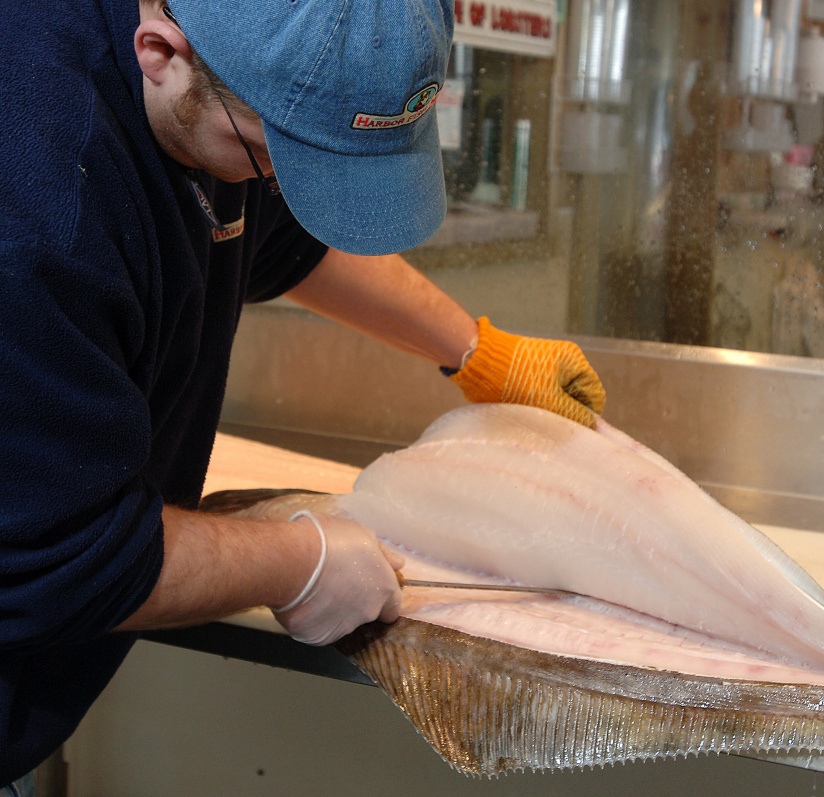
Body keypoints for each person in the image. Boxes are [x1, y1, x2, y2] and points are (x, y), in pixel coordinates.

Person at [0, 0, 606, 787]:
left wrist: (472, 349)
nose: (281, 183)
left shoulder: (201, 95)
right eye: (272, 155)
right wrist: (295, 562)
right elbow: (51, 561)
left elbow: (279, 240)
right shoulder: (35, 204)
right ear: (160, 52)